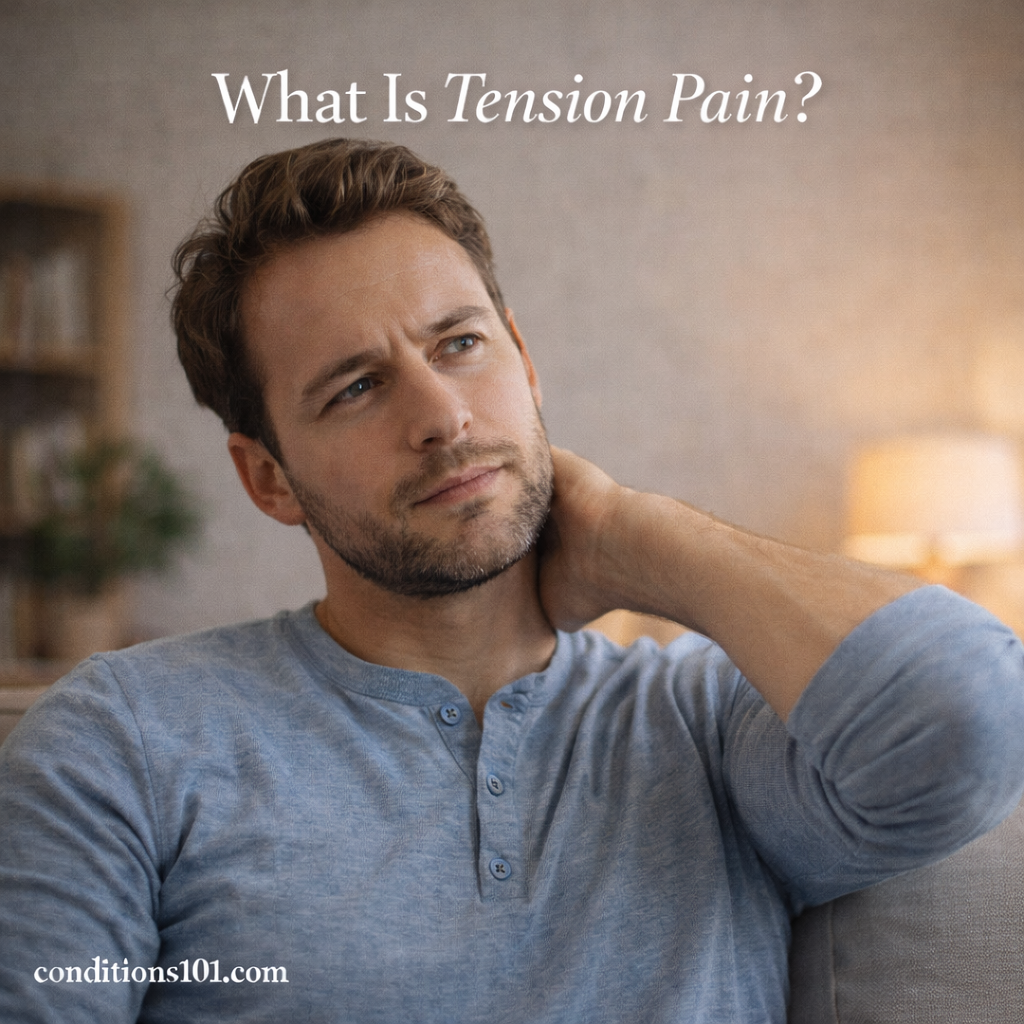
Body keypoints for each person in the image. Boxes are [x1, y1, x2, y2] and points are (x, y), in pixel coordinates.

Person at [1, 138, 1022, 1024]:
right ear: (268, 477)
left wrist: (641, 539)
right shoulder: (124, 739)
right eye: (356, 387)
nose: (442, 415)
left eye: (460, 343)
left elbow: (973, 716)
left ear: (524, 362)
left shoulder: (710, 722)